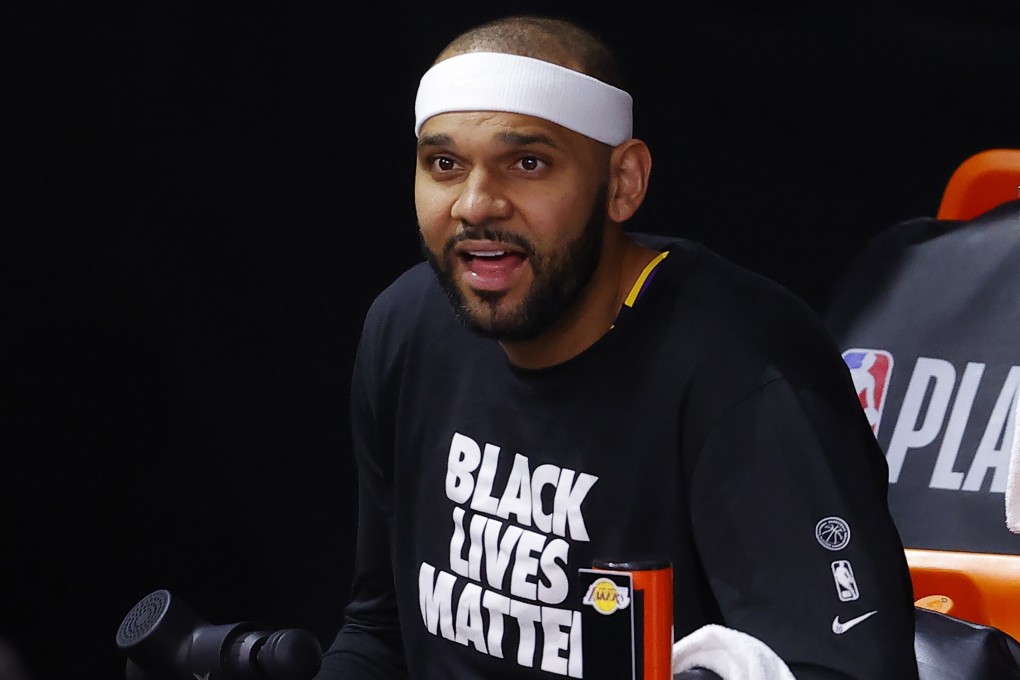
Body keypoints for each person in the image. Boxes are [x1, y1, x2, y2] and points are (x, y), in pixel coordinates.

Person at [316, 14, 919, 680]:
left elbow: (846, 670)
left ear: (624, 181)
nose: (476, 204)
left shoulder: (742, 373)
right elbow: (379, 629)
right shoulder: (408, 326)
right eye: (445, 164)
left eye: (527, 163)